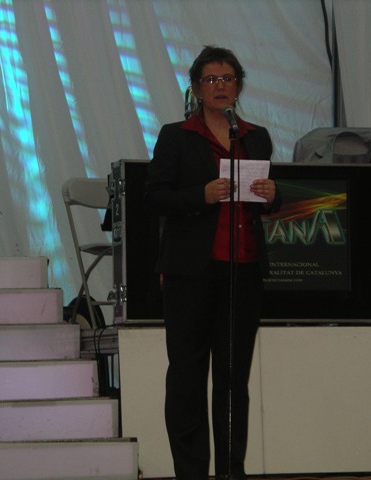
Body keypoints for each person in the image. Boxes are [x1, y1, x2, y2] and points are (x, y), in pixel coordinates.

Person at [144, 45, 281, 480]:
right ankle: (191, 472)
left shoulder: (255, 136)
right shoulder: (177, 135)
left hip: (244, 269)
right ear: (196, 87)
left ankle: (230, 472)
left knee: (233, 380)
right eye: (210, 79)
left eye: (227, 79)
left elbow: (265, 199)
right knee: (187, 376)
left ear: (238, 85)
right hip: (190, 272)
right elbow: (154, 197)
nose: (220, 86)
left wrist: (273, 197)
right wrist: (199, 196)